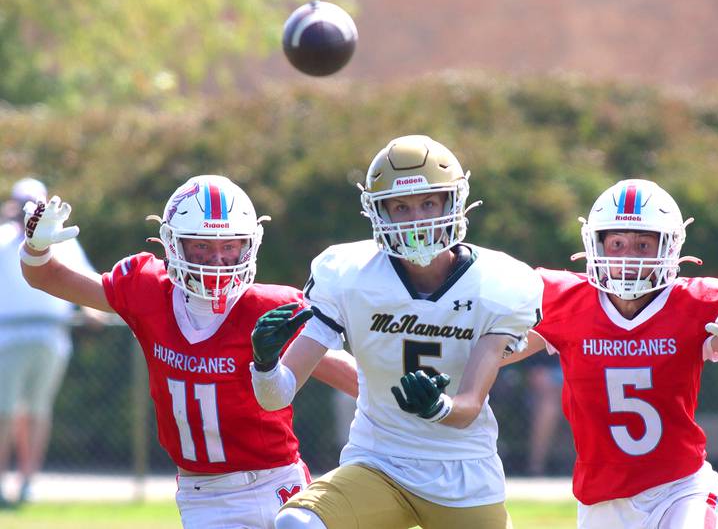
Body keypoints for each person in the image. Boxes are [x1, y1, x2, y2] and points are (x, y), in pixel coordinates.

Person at [19, 175, 358, 528]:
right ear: (173, 243)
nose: (217, 259)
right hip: (204, 495)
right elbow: (46, 277)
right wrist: (36, 250)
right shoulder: (147, 291)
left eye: (229, 246)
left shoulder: (266, 307)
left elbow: (332, 365)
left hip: (279, 483)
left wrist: (399, 415)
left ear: (249, 244)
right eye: (201, 246)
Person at [249, 135, 544, 529]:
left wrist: (436, 406)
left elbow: (468, 408)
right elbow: (276, 398)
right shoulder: (348, 274)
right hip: (379, 462)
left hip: (463, 473)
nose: (417, 218)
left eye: (428, 203)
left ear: (452, 202)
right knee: (298, 525)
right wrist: (265, 365)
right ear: (379, 212)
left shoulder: (497, 282)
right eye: (401, 207)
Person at [517, 179, 718, 529]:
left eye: (643, 244)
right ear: (596, 243)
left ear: (668, 247)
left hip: (680, 488)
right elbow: (496, 352)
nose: (628, 257)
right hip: (601, 498)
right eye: (617, 243)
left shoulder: (696, 303)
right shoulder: (566, 302)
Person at [0, 178, 100, 507]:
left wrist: (93, 310)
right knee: (5, 412)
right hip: (8, 337)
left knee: (37, 411)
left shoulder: (63, 243)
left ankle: (28, 482)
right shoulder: (2, 240)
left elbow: (86, 280)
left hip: (50, 338)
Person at [522, 350, 567, 476]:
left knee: (584, 402)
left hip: (575, 369)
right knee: (549, 407)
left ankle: (585, 465)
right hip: (545, 370)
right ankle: (536, 466)